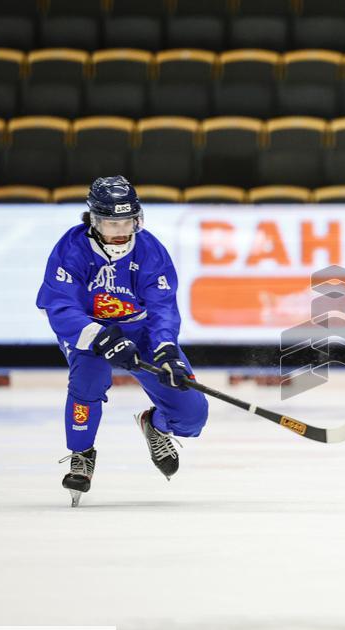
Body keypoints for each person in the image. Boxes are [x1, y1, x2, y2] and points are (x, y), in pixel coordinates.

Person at [36, 176, 208, 506]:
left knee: (191, 414)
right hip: (90, 331)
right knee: (88, 380)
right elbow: (59, 304)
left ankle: (154, 425)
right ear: (93, 220)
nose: (119, 230)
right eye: (109, 222)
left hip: (139, 331)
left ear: (137, 218)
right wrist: (99, 336)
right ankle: (82, 453)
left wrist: (167, 350)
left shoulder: (150, 251)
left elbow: (162, 308)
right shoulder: (71, 249)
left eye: (126, 221)